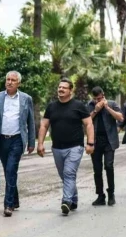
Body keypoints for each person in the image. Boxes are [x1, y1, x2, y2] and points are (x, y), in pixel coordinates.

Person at [37, 78, 94, 216]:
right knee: (65, 175)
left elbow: (89, 124)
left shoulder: (78, 105)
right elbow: (44, 125)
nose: (60, 89)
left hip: (75, 146)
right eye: (59, 87)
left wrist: (90, 143)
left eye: (64, 88)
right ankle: (73, 198)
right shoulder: (51, 107)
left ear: (70, 90)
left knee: (69, 173)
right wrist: (40, 143)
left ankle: (66, 201)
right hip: (57, 147)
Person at [0, 71, 36, 217]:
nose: (9, 82)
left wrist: (32, 142)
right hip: (1, 140)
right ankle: (15, 199)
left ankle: (8, 205)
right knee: (8, 171)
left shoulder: (26, 99)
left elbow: (30, 121)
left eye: (13, 80)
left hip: (17, 140)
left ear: (18, 83)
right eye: (8, 79)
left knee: (11, 170)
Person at [87, 87, 123, 206]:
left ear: (103, 95)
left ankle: (111, 194)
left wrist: (107, 108)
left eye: (100, 98)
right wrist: (96, 110)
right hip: (95, 141)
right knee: (97, 169)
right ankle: (100, 195)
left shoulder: (112, 103)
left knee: (109, 166)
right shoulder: (90, 105)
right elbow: (86, 121)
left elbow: (120, 118)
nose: (98, 100)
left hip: (109, 141)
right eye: (96, 99)